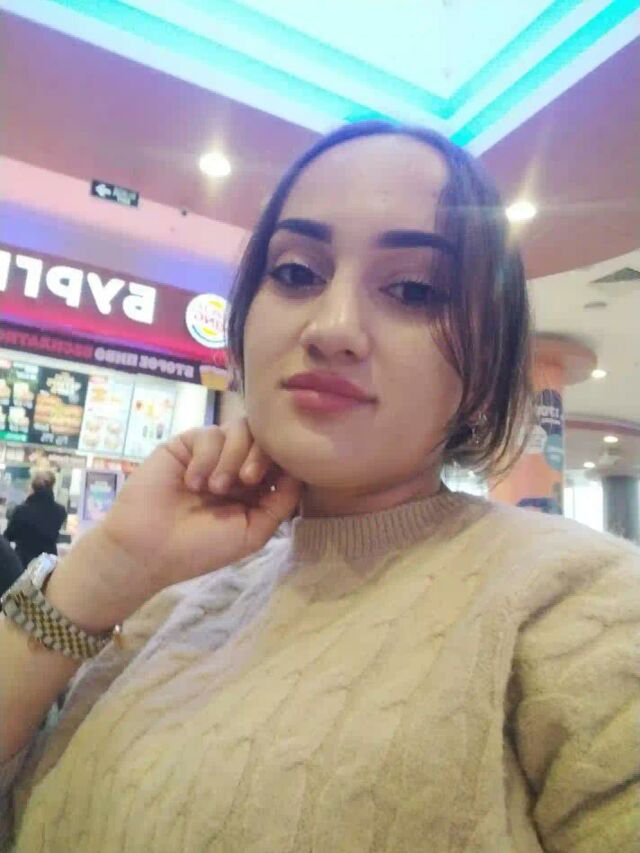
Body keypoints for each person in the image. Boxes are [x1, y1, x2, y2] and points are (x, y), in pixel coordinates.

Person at [0, 121, 638, 853]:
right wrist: (105, 570)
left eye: (413, 288)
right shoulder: (174, 597)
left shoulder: (580, 601)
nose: (333, 328)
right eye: (297, 273)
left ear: (487, 360)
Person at [3, 471, 67, 568]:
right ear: (52, 486)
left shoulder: (22, 510)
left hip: (24, 562)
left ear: (32, 487)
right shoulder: (60, 511)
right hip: (47, 564)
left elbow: (9, 536)